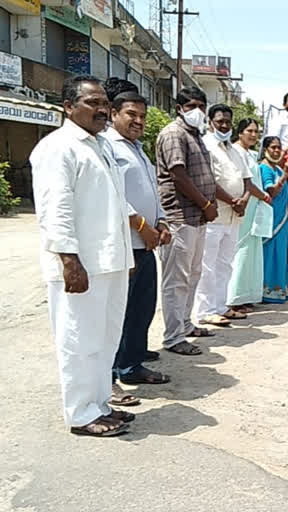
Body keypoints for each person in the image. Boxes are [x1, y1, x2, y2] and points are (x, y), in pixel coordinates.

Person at [31, 75, 134, 437]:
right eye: (92, 102)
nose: (103, 109)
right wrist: (69, 260)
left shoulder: (100, 144)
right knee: (78, 339)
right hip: (81, 264)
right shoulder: (58, 147)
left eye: (104, 102)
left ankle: (100, 403)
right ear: (68, 107)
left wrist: (125, 259)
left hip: (110, 262)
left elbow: (115, 206)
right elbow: (54, 209)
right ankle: (80, 413)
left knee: (105, 338)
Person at [105, 91, 172, 407]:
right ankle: (107, 380)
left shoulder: (138, 150)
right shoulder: (107, 147)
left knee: (141, 310)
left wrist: (161, 222)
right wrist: (142, 227)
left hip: (146, 245)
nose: (139, 121)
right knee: (114, 317)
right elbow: (114, 195)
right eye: (132, 114)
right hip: (124, 245)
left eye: (143, 116)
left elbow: (152, 193)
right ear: (114, 112)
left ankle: (130, 366)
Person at [156, 86, 217, 356]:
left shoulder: (196, 135)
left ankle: (185, 324)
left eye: (202, 106)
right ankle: (172, 337)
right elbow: (179, 175)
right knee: (176, 280)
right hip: (179, 216)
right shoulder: (173, 134)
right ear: (179, 107)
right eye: (192, 105)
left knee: (193, 274)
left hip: (197, 217)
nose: (198, 111)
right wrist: (205, 203)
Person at [194, 104, 253, 326]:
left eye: (228, 121)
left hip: (234, 216)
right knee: (207, 265)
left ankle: (220, 305)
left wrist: (244, 200)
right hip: (215, 215)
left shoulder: (234, 150)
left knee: (226, 263)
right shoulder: (205, 146)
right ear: (210, 122)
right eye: (220, 121)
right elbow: (208, 181)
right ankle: (205, 311)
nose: (225, 125)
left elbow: (247, 179)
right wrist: (232, 201)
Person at [228, 118, 274, 312]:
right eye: (249, 131)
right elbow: (246, 181)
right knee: (240, 252)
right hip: (244, 206)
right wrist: (262, 195)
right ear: (239, 133)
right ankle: (233, 298)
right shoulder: (235, 152)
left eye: (256, 131)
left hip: (255, 208)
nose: (254, 135)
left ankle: (246, 295)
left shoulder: (251, 154)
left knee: (252, 252)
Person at [261, 136, 288, 303]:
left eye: (278, 147)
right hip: (270, 220)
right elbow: (271, 192)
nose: (276, 151)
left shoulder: (277, 169)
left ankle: (278, 289)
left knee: (280, 253)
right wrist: (286, 175)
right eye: (272, 147)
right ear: (265, 149)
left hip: (282, 219)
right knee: (269, 253)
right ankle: (266, 290)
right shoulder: (265, 169)